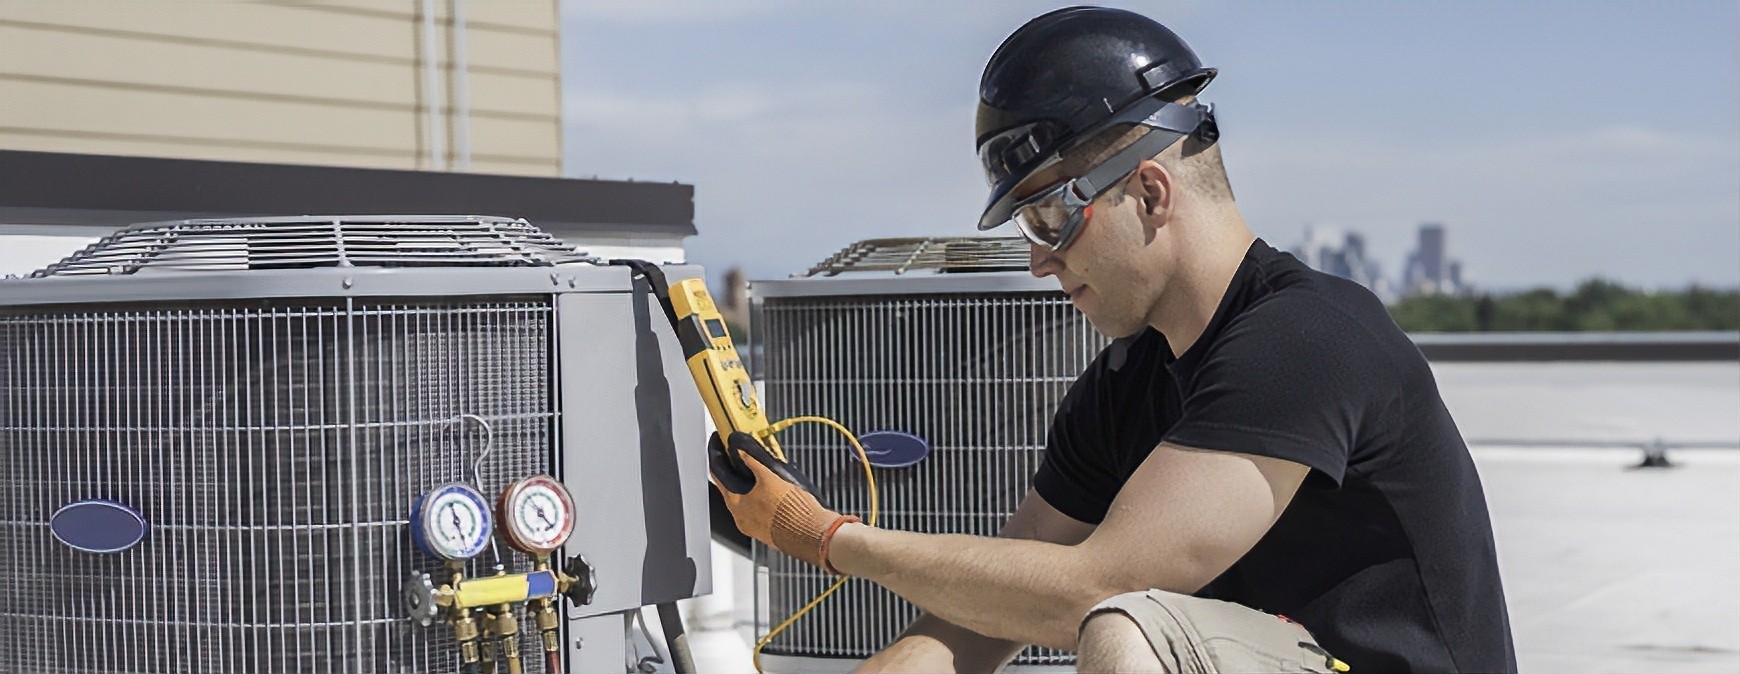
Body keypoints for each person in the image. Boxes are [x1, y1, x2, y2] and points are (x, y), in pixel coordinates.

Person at [709, 6, 1516, 672]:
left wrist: (823, 536)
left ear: (1152, 192)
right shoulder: (1126, 382)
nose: (1037, 260)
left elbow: (1096, 587)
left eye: (1048, 216)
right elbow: (986, 617)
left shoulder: (1306, 339)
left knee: (1129, 634)